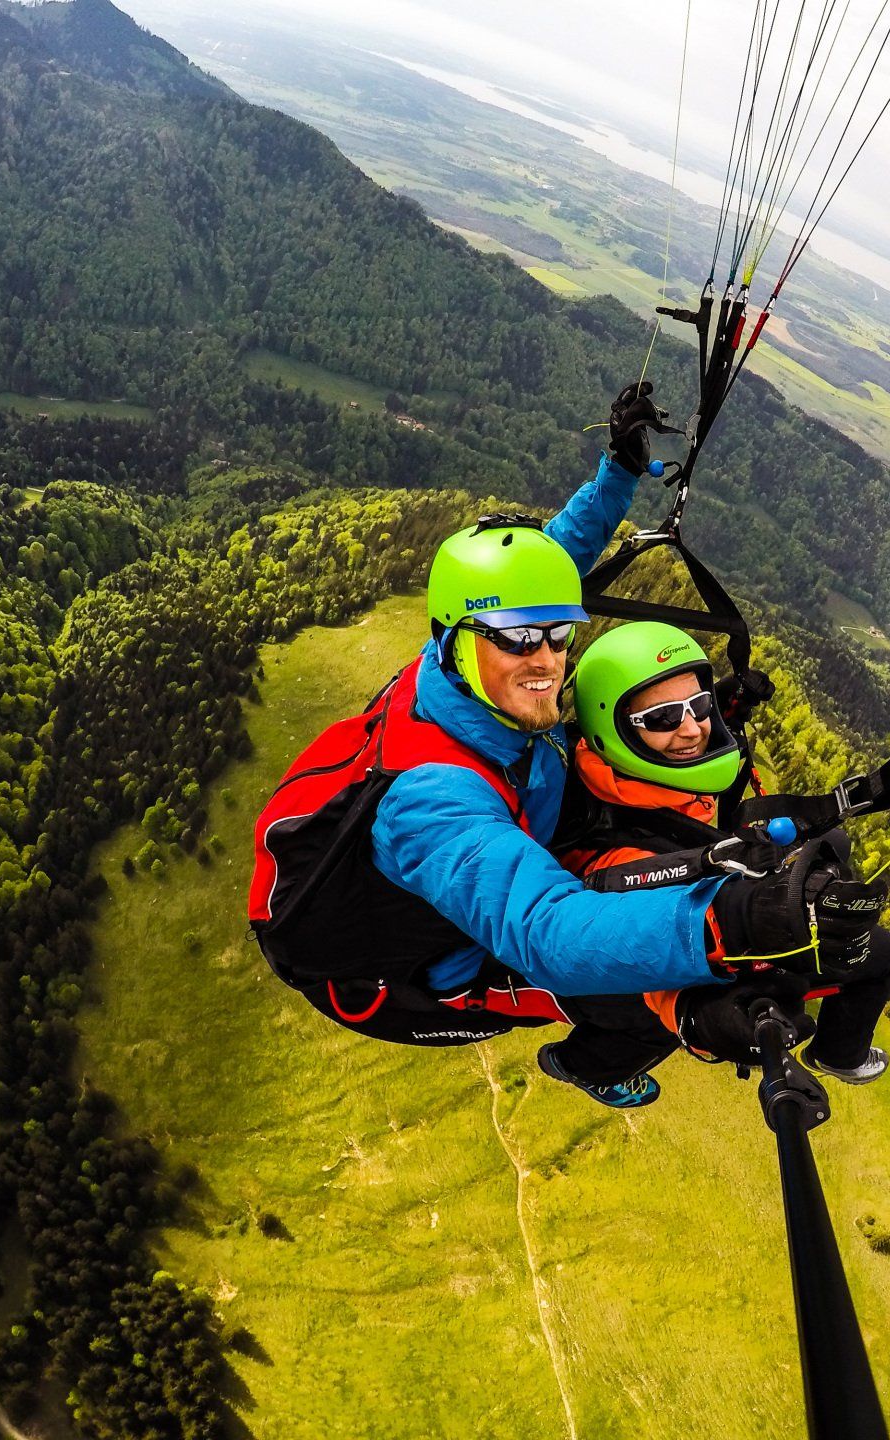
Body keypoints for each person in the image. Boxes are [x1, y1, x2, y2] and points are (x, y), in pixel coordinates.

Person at [254, 383, 829, 1107]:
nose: (549, 660)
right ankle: (597, 1064)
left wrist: (616, 475)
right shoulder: (431, 800)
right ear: (455, 643)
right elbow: (547, 933)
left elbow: (551, 561)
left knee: (665, 819)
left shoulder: (462, 668)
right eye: (522, 641)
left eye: (558, 635)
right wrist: (723, 924)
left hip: (527, 822)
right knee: (646, 973)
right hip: (437, 979)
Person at [556, 620, 890, 1089]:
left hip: (691, 874)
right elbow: (646, 935)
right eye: (662, 718)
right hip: (631, 975)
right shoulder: (621, 851)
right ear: (612, 730)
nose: (693, 729)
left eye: (700, 706)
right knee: (881, 952)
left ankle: (839, 1049)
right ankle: (585, 1069)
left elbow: (685, 742)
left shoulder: (652, 778)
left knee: (842, 867)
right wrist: (697, 1020)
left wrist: (728, 712)